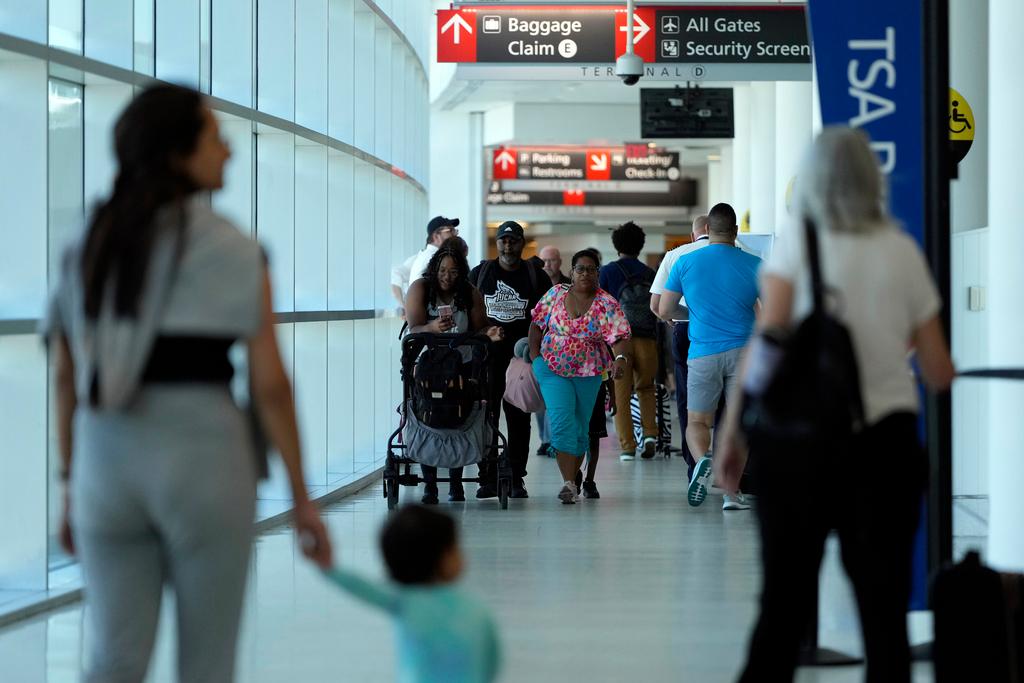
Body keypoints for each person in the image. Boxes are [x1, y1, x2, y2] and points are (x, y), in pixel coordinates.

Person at [43, 84, 332, 683]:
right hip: (204, 456)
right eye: (213, 135)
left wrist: (71, 481)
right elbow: (270, 384)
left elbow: (67, 375)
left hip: (105, 460)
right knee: (207, 664)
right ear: (177, 151)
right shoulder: (236, 249)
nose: (227, 148)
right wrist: (302, 497)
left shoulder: (86, 245)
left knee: (114, 660)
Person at [717, 127, 955, 682]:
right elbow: (938, 370)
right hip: (884, 445)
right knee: (883, 612)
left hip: (796, 445)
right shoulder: (901, 249)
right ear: (874, 179)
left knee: (782, 604)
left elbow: (768, 344)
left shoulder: (799, 244)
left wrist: (733, 435)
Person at [324, 505, 501, 683]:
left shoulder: (405, 602)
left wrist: (329, 568)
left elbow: (364, 589)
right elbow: (491, 659)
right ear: (444, 559)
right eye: (456, 547)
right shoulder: (474, 608)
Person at [659, 203, 761, 511]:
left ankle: (703, 460)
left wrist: (694, 314)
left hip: (702, 351)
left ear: (706, 230)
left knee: (698, 420)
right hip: (744, 353)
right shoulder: (756, 264)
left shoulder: (685, 262)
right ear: (735, 231)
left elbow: (664, 310)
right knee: (738, 424)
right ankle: (731, 493)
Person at [529, 249, 632, 504]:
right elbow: (536, 323)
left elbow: (619, 337)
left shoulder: (606, 303)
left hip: (589, 372)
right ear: (572, 273)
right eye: (580, 269)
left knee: (580, 429)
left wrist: (619, 359)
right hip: (552, 368)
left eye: (591, 269)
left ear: (598, 273)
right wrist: (535, 357)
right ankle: (567, 482)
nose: (585, 273)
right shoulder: (555, 294)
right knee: (562, 421)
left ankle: (573, 482)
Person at [405, 238, 504, 504]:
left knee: (458, 416)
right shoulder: (421, 289)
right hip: (428, 366)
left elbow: (479, 328)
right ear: (434, 270)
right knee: (429, 414)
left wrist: (489, 333)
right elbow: (413, 328)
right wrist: (431, 328)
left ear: (461, 272)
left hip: (462, 364)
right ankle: (430, 485)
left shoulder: (469, 292)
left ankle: (456, 484)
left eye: (453, 272)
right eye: (442, 271)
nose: (447, 277)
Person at [469, 221, 551, 499]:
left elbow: (547, 316)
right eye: (503, 240)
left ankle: (516, 476)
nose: (507, 245)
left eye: (513, 240)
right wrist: (481, 333)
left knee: (519, 418)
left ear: (521, 243)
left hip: (521, 361)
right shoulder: (481, 273)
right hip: (487, 360)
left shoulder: (535, 275)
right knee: (486, 417)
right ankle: (487, 476)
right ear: (497, 244)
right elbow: (467, 313)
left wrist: (537, 349)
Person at [650, 215, 710, 476]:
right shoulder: (742, 253)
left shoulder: (677, 255)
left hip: (686, 329)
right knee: (731, 401)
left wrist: (675, 317)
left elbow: (656, 306)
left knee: (688, 399)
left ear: (693, 234)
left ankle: (694, 464)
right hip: (734, 333)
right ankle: (734, 471)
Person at [599, 221, 660, 461]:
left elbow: (600, 306)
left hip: (619, 342)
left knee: (620, 393)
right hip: (646, 338)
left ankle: (627, 447)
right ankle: (650, 435)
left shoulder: (608, 272)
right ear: (641, 245)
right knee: (646, 388)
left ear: (616, 245)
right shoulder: (649, 273)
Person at [533, 246, 571, 458]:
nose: (547, 264)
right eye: (544, 260)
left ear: (559, 262)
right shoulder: (535, 283)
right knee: (541, 398)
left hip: (564, 348)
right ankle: (545, 439)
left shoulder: (568, 285)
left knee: (556, 397)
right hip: (540, 346)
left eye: (552, 260)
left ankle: (554, 439)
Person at [391, 216, 461, 317]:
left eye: (455, 230)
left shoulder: (425, 256)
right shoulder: (432, 258)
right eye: (450, 230)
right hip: (428, 322)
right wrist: (406, 306)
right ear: (436, 236)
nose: (455, 234)